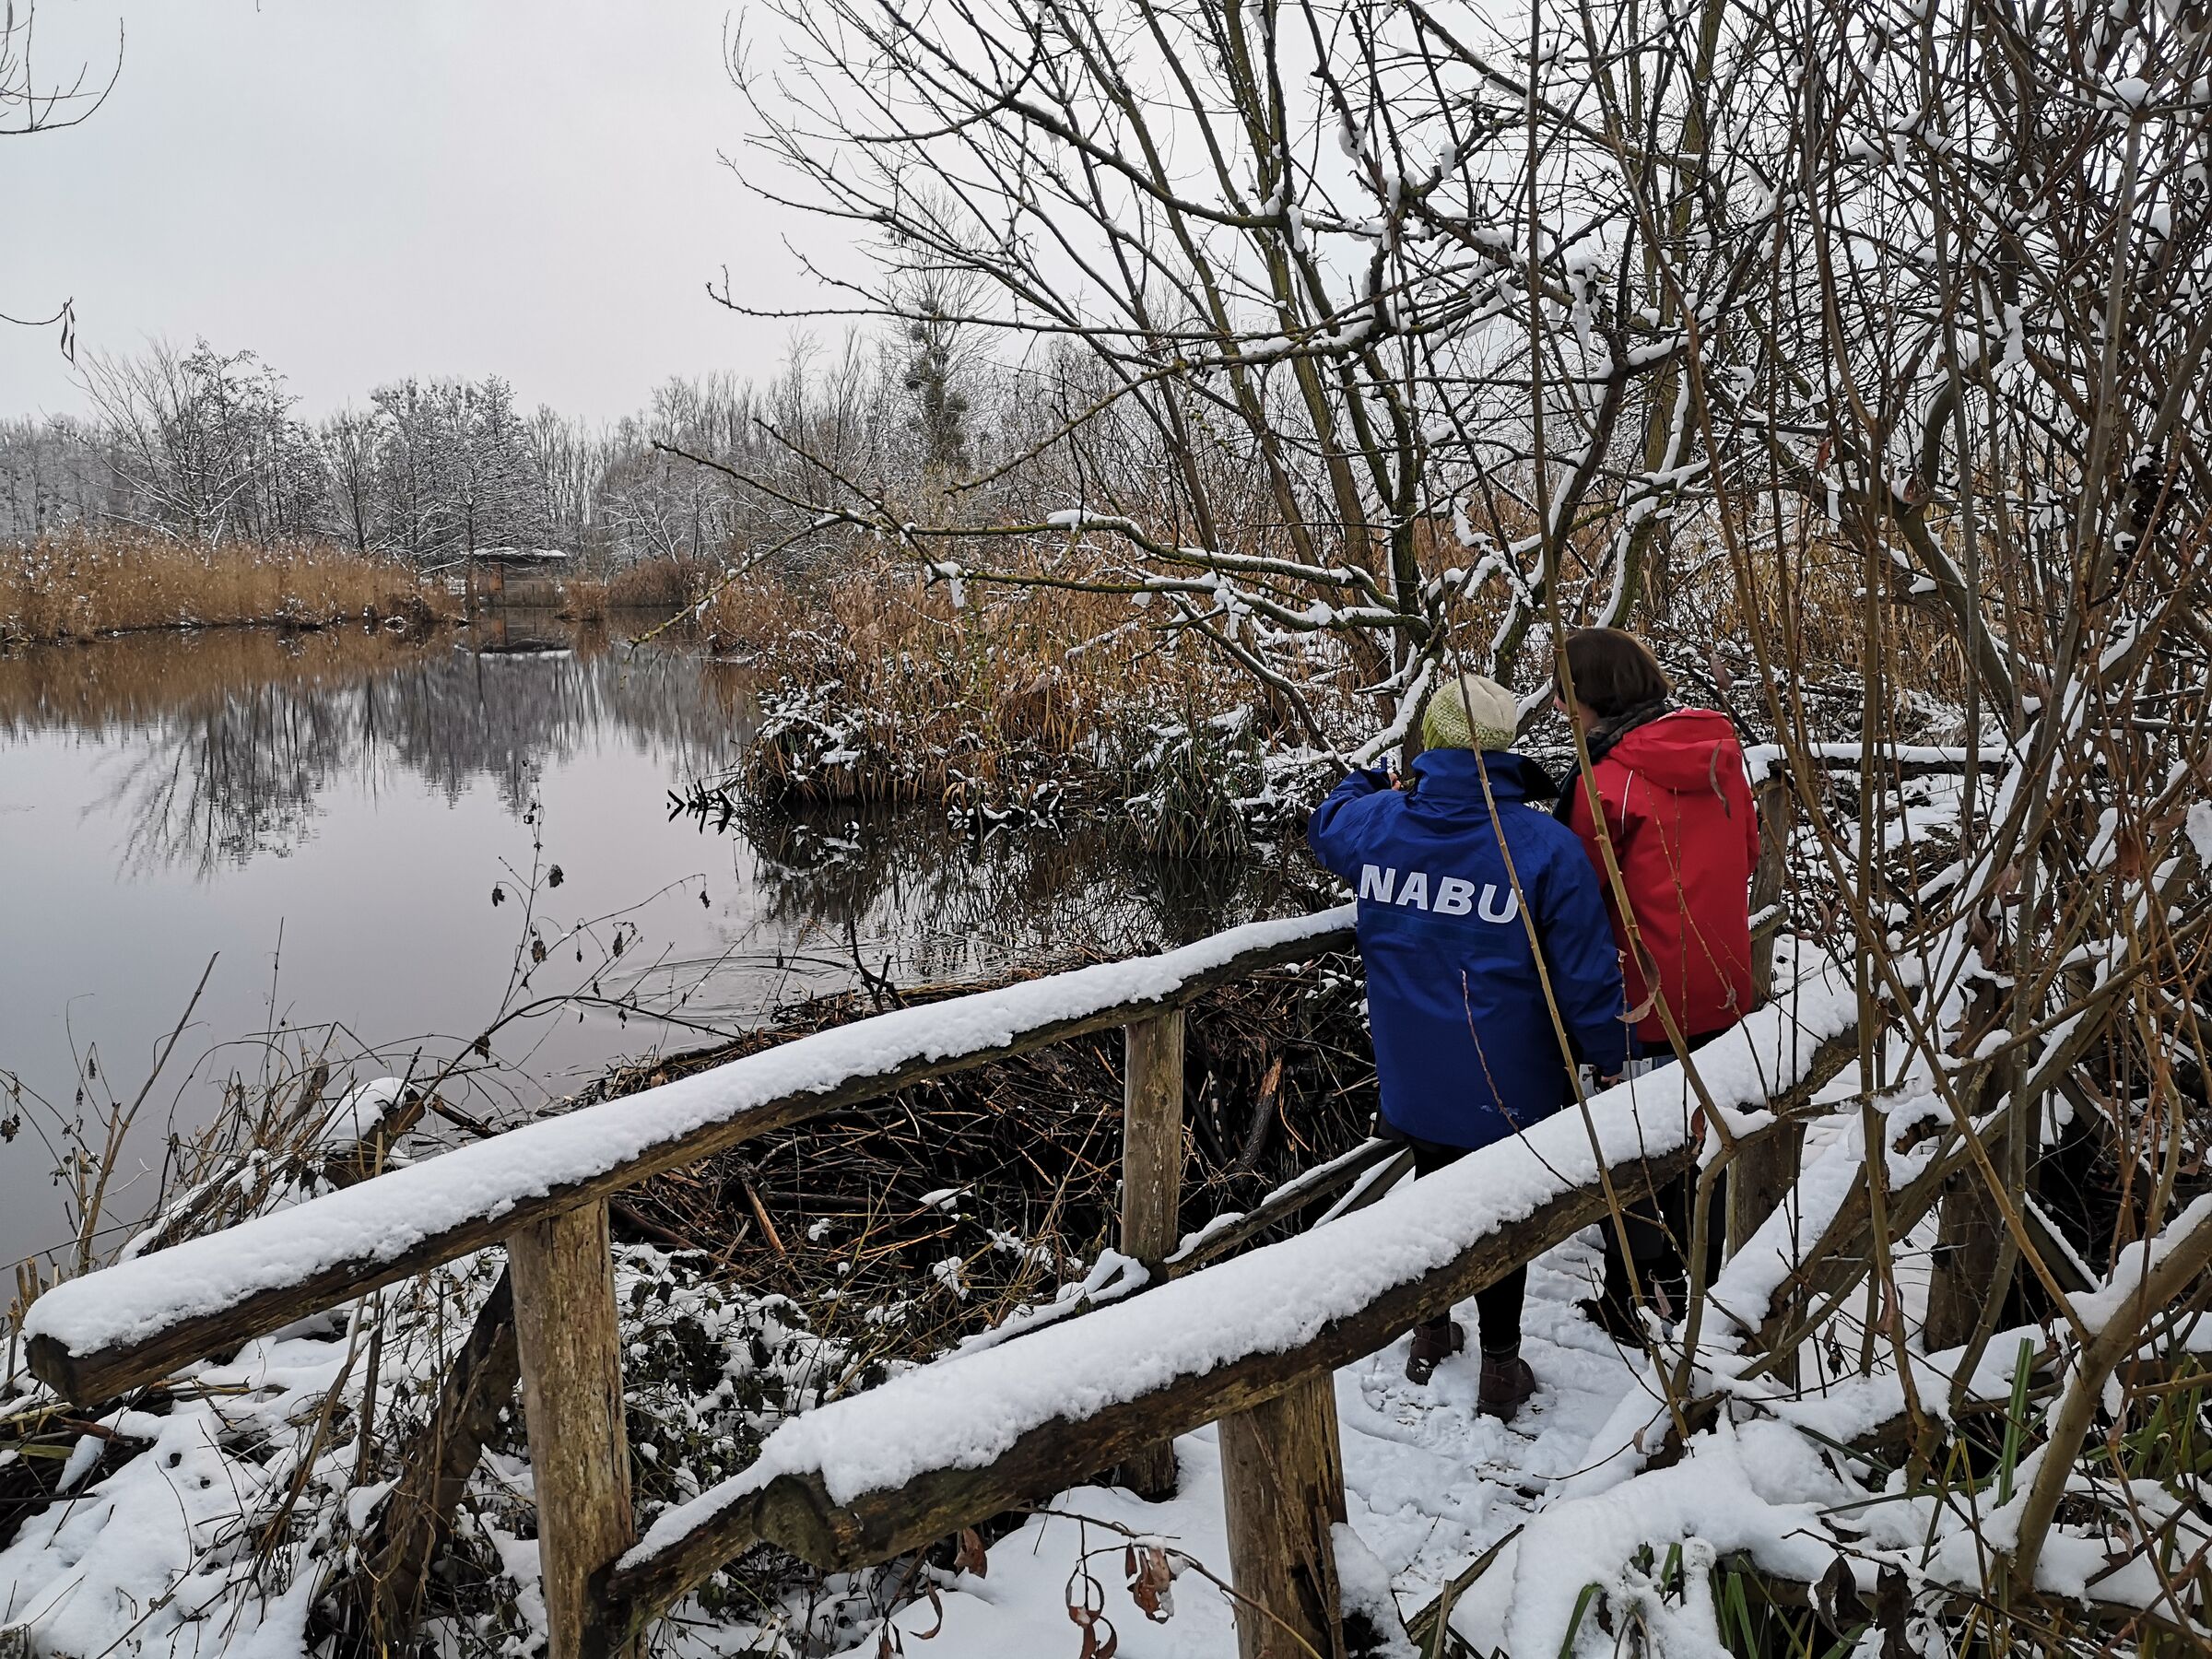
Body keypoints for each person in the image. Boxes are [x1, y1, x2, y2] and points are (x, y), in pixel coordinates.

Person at [1308, 673, 1627, 1418]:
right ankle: (1500, 1368)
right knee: (1499, 1216)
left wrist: (1370, 778)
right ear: (1506, 746)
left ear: (1433, 741)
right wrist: (1608, 1052)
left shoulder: (1381, 824)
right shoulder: (1544, 847)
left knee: (1433, 1192)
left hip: (1412, 1070)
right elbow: (1585, 972)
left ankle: (1429, 1331)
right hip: (1509, 1075)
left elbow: (1327, 822)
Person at [1551, 628, 1760, 1335]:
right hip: (1723, 981)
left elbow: (1575, 890)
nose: (1558, 707)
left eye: (1564, 693)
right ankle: (1700, 1282)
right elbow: (1749, 852)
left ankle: (1636, 1299)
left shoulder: (1603, 779)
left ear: (1591, 696)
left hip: (1643, 993)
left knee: (1639, 1143)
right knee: (1704, 1134)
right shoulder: (1719, 751)